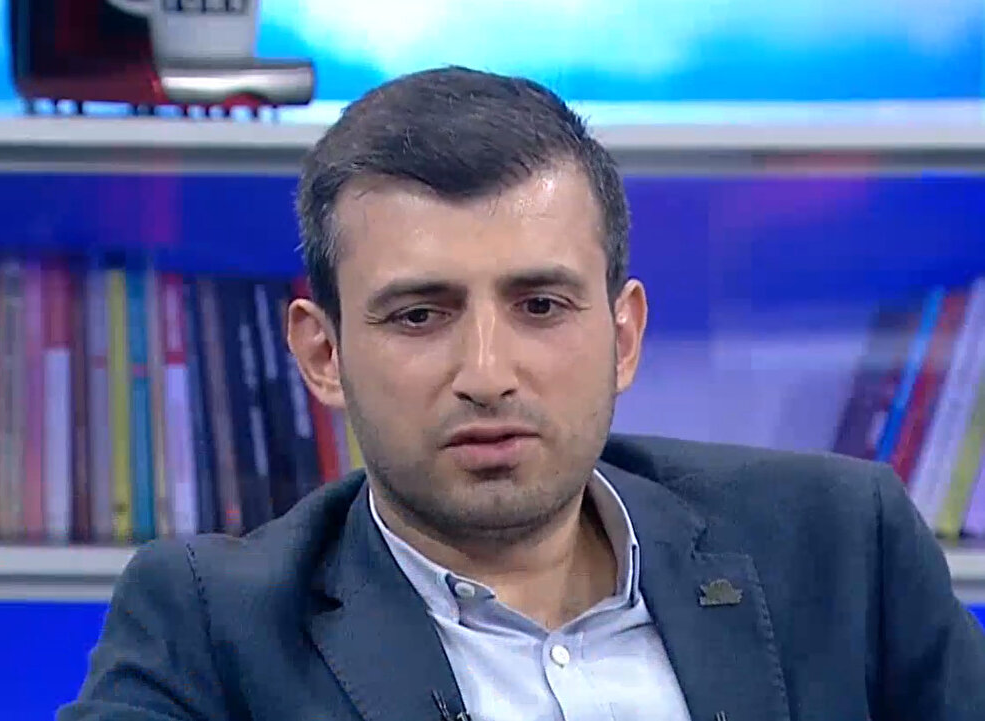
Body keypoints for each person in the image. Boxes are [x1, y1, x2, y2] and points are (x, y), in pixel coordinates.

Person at [57, 66, 985, 721]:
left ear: (624, 336)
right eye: (420, 315)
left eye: (540, 305)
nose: (487, 372)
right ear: (322, 353)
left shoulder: (842, 548)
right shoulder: (210, 625)